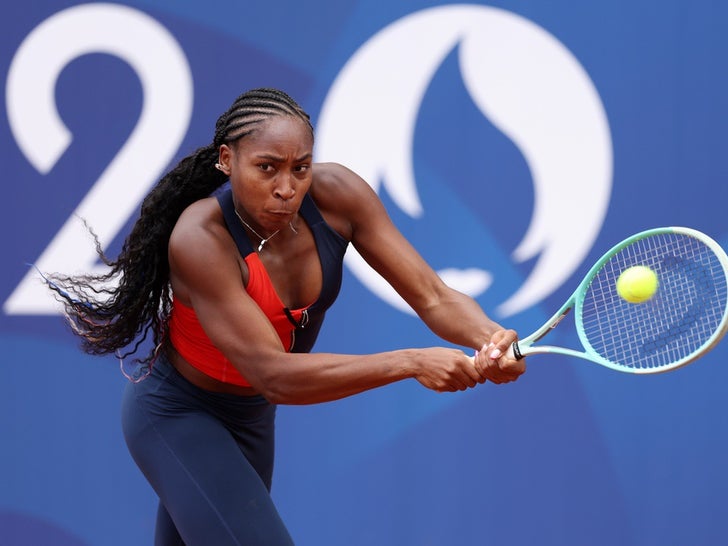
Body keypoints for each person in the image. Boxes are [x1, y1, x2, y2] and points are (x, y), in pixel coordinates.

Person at [48, 88, 526, 545]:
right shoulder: (200, 239)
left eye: (300, 168)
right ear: (226, 160)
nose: (286, 188)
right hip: (178, 415)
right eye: (267, 168)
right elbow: (275, 375)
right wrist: (411, 362)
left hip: (253, 417)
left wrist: (490, 338)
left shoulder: (338, 197)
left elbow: (434, 296)